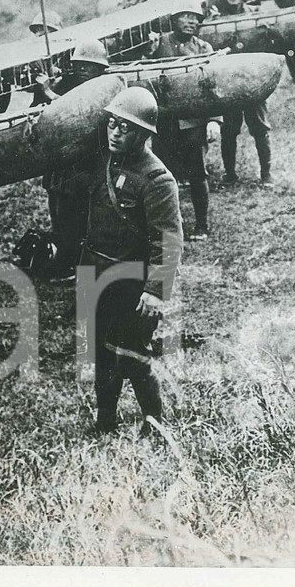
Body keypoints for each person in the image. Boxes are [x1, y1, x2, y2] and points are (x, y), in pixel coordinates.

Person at [80, 87, 183, 434]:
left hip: (132, 282)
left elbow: (168, 240)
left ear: (142, 133)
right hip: (97, 274)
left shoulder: (157, 179)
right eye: (112, 124)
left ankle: (154, 424)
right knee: (101, 353)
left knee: (133, 356)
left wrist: (155, 290)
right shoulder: (103, 162)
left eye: (125, 127)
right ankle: (105, 420)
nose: (115, 132)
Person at [32, 41, 110, 282]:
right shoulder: (65, 85)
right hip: (60, 169)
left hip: (86, 168)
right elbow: (36, 113)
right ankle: (66, 262)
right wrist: (42, 92)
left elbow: (80, 116)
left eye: (89, 65)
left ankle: (77, 266)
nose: (83, 70)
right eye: (79, 64)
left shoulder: (104, 90)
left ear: (101, 69)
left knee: (78, 220)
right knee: (59, 217)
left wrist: (50, 94)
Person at [150, 0, 221, 241]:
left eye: (195, 18)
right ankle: (170, 225)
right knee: (164, 176)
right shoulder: (159, 44)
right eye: (185, 16)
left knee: (197, 175)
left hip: (194, 122)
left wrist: (214, 120)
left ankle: (202, 225)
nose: (191, 22)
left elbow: (214, 87)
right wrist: (147, 51)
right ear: (174, 19)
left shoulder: (203, 48)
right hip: (165, 122)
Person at [208, 0, 273, 186]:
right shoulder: (215, 20)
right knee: (228, 130)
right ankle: (230, 174)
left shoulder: (255, 15)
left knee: (260, 129)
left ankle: (266, 174)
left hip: (253, 80)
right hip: (228, 82)